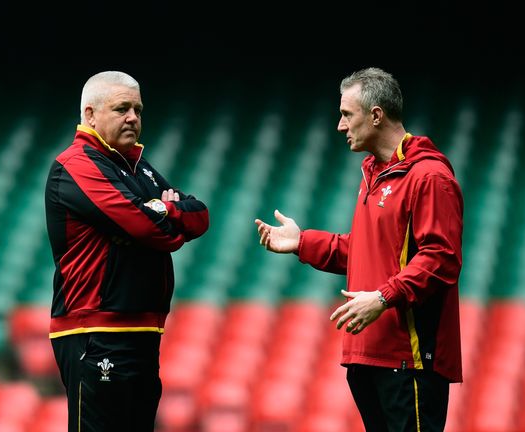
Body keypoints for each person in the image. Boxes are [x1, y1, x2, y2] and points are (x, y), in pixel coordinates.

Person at [254, 67, 463, 432]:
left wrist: (382, 298)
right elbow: (366, 251)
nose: (340, 125)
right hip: (368, 356)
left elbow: (441, 258)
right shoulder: (374, 174)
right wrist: (302, 243)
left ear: (376, 115)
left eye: (346, 114)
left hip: (408, 360)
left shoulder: (428, 176)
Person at [44, 71, 209, 431]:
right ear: (90, 114)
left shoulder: (137, 167)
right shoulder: (77, 165)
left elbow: (200, 215)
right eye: (121, 109)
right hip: (96, 332)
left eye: (137, 109)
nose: (133, 117)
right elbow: (144, 225)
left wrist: (164, 210)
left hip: (142, 331)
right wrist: (163, 220)